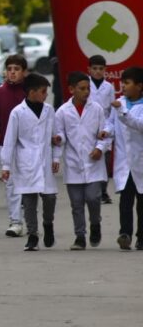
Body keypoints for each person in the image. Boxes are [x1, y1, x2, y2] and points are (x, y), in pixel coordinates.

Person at [0, 74, 57, 251]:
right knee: (29, 201)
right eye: (42, 92)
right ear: (31, 92)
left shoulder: (49, 110)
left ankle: (48, 224)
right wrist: (6, 166)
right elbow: (10, 140)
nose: (45, 95)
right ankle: (32, 235)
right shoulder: (17, 112)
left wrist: (56, 157)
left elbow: (55, 136)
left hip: (45, 160)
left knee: (49, 198)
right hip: (26, 161)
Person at [53, 72, 107, 250]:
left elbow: (105, 133)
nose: (86, 92)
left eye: (88, 88)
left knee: (93, 198)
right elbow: (60, 133)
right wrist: (58, 141)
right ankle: (80, 236)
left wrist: (100, 148)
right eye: (82, 89)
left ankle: (95, 224)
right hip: (73, 162)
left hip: (93, 162)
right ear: (71, 89)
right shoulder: (62, 111)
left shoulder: (97, 109)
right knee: (76, 204)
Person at [0, 54, 28, 237]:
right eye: (10, 69)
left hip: (27, 146)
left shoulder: (30, 92)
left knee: (27, 184)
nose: (12, 73)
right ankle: (15, 221)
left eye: (16, 69)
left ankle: (30, 218)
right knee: (10, 184)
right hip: (4, 145)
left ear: (24, 72)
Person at [100, 66, 143, 250]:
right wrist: (106, 132)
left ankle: (141, 237)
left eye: (127, 83)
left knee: (142, 203)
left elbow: (139, 125)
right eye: (122, 83)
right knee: (125, 200)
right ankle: (124, 233)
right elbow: (111, 123)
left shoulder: (133, 107)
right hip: (124, 163)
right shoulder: (119, 103)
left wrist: (123, 113)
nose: (123, 86)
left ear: (139, 86)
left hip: (140, 161)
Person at [88, 55, 115, 204]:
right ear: (89, 69)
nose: (98, 71)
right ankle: (93, 191)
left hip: (105, 126)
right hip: (90, 126)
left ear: (105, 70)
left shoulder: (109, 87)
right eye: (95, 68)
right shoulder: (86, 84)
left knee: (105, 161)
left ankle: (103, 191)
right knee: (92, 159)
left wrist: (111, 128)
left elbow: (111, 109)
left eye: (101, 69)